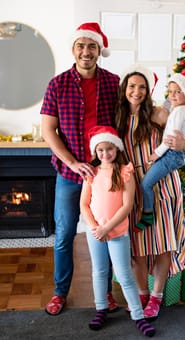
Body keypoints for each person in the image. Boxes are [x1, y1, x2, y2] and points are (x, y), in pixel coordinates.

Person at [40, 22, 120, 315]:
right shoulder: (57, 84)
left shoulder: (114, 82)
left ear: (100, 50)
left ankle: (107, 293)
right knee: (63, 235)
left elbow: (128, 121)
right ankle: (60, 292)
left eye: (92, 46)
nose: (86, 52)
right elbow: (49, 131)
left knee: (106, 232)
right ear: (73, 50)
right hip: (70, 175)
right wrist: (72, 162)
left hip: (105, 176)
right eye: (81, 46)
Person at [115, 64, 185, 320]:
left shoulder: (158, 114)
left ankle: (157, 296)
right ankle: (141, 292)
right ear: (125, 89)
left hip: (161, 184)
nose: (136, 92)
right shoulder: (117, 117)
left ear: (148, 91)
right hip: (131, 188)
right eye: (132, 86)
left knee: (161, 244)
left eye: (142, 87)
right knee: (136, 246)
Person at [80, 125, 155, 337]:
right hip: (95, 232)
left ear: (117, 149)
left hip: (116, 232)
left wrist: (107, 228)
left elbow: (127, 206)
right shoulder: (92, 173)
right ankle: (101, 309)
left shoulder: (125, 172)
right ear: (95, 151)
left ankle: (138, 316)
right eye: (100, 150)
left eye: (109, 149)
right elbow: (84, 204)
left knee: (124, 274)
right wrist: (96, 228)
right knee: (99, 272)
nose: (105, 154)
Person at [135, 69, 185, 232]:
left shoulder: (178, 111)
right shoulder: (178, 110)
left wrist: (156, 155)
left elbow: (171, 139)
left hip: (171, 155)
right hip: (172, 155)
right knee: (147, 183)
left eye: (178, 91)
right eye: (170, 92)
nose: (172, 95)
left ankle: (148, 215)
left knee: (146, 184)